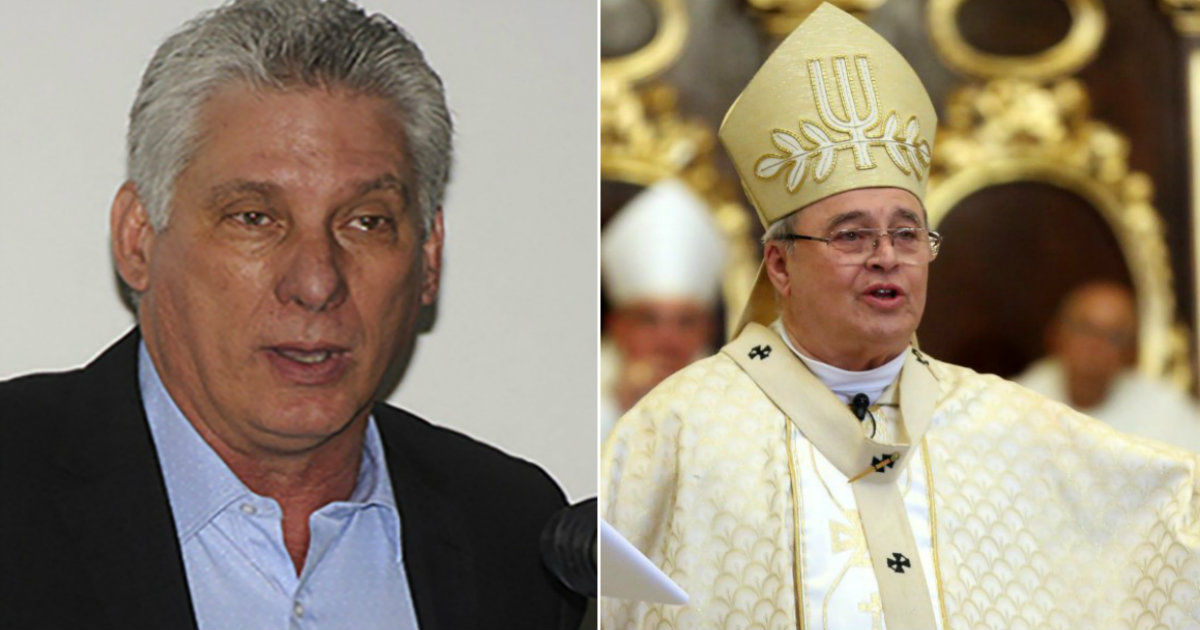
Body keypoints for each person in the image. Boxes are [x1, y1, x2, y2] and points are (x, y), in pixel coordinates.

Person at [601, 4, 1200, 629]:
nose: (887, 258)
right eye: (851, 236)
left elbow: (1173, 527)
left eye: (908, 234)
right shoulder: (677, 432)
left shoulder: (1013, 426)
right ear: (779, 265)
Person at [0, 1, 584, 628]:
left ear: (428, 258)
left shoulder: (515, 532)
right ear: (138, 238)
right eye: (254, 218)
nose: (316, 283)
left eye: (366, 221)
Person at [600, 178, 727, 440]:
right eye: (648, 320)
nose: (667, 340)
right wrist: (619, 408)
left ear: (709, 329)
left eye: (686, 322)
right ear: (616, 326)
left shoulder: (735, 399)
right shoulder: (587, 395)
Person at [1017, 280, 1200, 450]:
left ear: (1131, 353)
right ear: (1056, 335)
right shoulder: (1017, 400)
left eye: (1114, 336)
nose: (1095, 344)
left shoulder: (1167, 411)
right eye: (1084, 329)